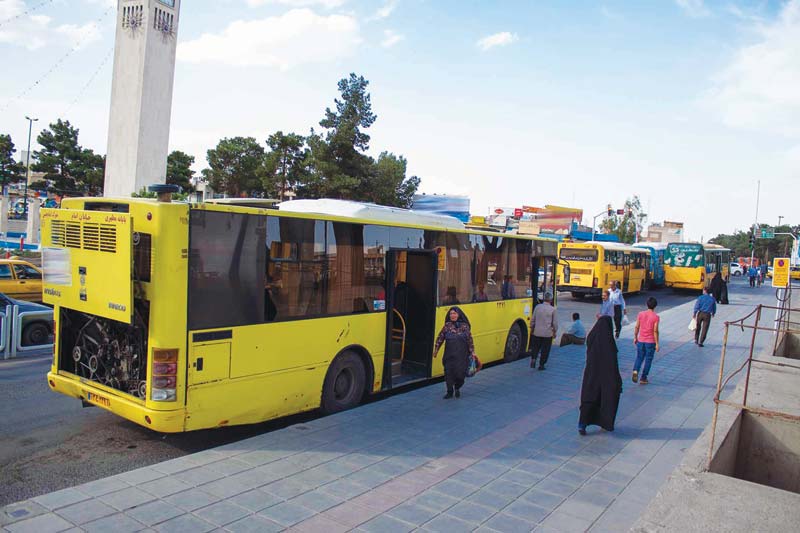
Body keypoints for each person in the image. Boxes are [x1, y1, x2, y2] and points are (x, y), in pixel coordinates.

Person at [578, 316, 622, 435]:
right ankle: (605, 422)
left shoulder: (592, 337)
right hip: (606, 377)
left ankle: (582, 425)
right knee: (606, 399)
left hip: (591, 374)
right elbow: (614, 364)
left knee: (588, 398)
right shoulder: (609, 343)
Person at [433, 307, 475, 399]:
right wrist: (436, 350)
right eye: (451, 313)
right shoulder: (447, 326)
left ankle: (457, 387)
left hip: (462, 356)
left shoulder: (465, 326)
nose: (452, 315)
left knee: (460, 375)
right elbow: (440, 338)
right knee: (448, 373)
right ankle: (449, 391)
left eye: (454, 313)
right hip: (449, 356)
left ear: (459, 315)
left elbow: (470, 340)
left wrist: (472, 352)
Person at [632, 297, 660, 385]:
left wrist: (635, 337)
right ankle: (643, 378)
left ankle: (635, 371)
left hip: (641, 340)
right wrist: (657, 344)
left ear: (647, 304)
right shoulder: (656, 317)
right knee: (648, 360)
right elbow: (655, 331)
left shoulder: (641, 314)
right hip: (650, 342)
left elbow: (637, 326)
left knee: (639, 357)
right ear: (655, 306)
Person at [529, 292, 558, 370]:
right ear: (551, 300)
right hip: (547, 334)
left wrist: (531, 328)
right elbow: (555, 323)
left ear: (544, 298)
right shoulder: (553, 309)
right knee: (545, 350)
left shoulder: (537, 307)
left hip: (537, 332)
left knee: (535, 347)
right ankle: (541, 365)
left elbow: (533, 320)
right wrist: (555, 332)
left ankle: (534, 358)